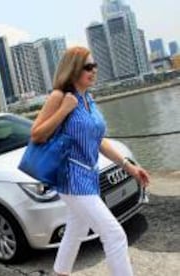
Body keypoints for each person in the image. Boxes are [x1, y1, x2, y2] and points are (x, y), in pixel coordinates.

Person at [31, 46, 150, 276]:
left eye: (95, 66)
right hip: (71, 178)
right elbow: (36, 134)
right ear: (73, 69)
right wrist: (64, 110)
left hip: (89, 175)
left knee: (76, 228)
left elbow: (98, 141)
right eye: (88, 67)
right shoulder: (60, 97)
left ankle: (60, 273)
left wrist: (129, 167)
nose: (93, 70)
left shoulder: (88, 98)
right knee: (114, 234)